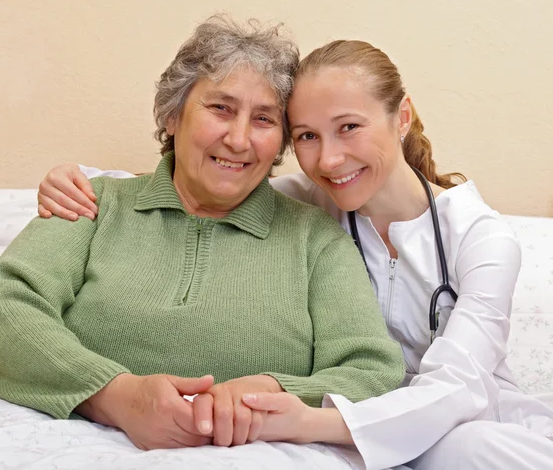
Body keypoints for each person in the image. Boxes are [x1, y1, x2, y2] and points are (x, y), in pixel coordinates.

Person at [40, 38, 553, 469]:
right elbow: (199, 183)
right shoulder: (310, 203)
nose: (329, 159)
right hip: (360, 425)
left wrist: (308, 420)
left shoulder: (481, 237)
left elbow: (458, 388)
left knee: (468, 449)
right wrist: (81, 179)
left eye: (349, 127)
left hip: (467, 423)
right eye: (307, 136)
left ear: (402, 116)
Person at [0, 17, 405, 454]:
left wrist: (270, 391)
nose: (239, 139)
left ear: (280, 143)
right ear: (172, 114)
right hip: (68, 438)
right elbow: (9, 310)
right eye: (221, 108)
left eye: (263, 119)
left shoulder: (315, 237)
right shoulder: (92, 202)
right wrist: (115, 396)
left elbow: (370, 369)